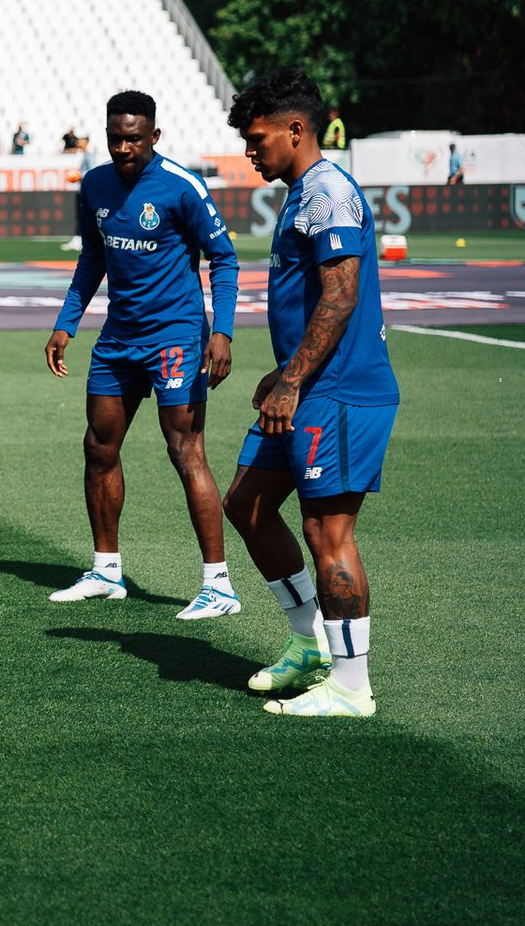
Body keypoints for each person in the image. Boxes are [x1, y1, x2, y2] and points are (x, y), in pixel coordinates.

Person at [222, 69, 399, 718]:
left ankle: (352, 689)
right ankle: (309, 645)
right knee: (246, 503)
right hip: (304, 386)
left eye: (257, 138)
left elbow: (341, 293)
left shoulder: (326, 191)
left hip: (340, 393)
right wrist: (282, 374)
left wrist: (293, 379)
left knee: (328, 530)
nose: (249, 150)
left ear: (296, 129)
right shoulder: (301, 192)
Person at [46, 90, 242, 618]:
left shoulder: (181, 187)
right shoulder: (94, 184)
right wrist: (67, 322)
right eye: (115, 138)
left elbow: (224, 259)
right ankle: (107, 571)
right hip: (117, 340)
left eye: (134, 138)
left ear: (154, 136)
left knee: (186, 451)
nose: (123, 147)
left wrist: (220, 333)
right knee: (99, 448)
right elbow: (94, 257)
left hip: (176, 338)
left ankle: (218, 584)